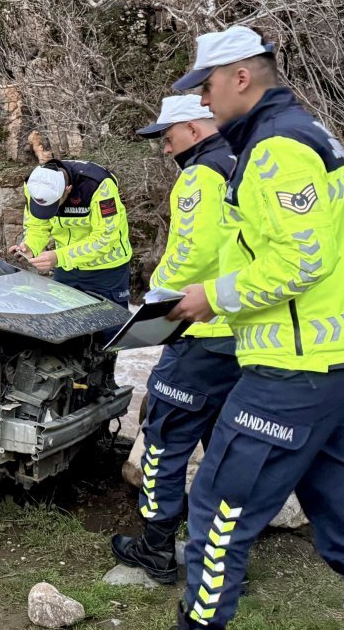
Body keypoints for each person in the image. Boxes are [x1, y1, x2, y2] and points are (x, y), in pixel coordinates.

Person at [165, 25, 344, 629]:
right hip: (343, 364)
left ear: (240, 78)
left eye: (207, 86)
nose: (203, 100)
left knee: (218, 517)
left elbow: (301, 260)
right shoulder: (304, 132)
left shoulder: (277, 147)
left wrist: (212, 298)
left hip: (293, 374)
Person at [109, 95, 241, 585]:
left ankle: (156, 550)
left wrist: (153, 297)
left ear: (192, 127)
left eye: (168, 137)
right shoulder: (245, 161)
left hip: (199, 333)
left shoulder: (201, 175)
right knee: (226, 449)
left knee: (165, 440)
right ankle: (224, 562)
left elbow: (191, 252)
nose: (165, 149)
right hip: (244, 335)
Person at [13, 158, 132, 308]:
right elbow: (37, 226)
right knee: (65, 323)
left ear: (68, 189)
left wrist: (59, 256)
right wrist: (30, 246)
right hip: (66, 269)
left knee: (110, 328)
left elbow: (106, 237)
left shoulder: (98, 184)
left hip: (107, 272)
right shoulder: (35, 184)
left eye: (54, 204)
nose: (51, 211)